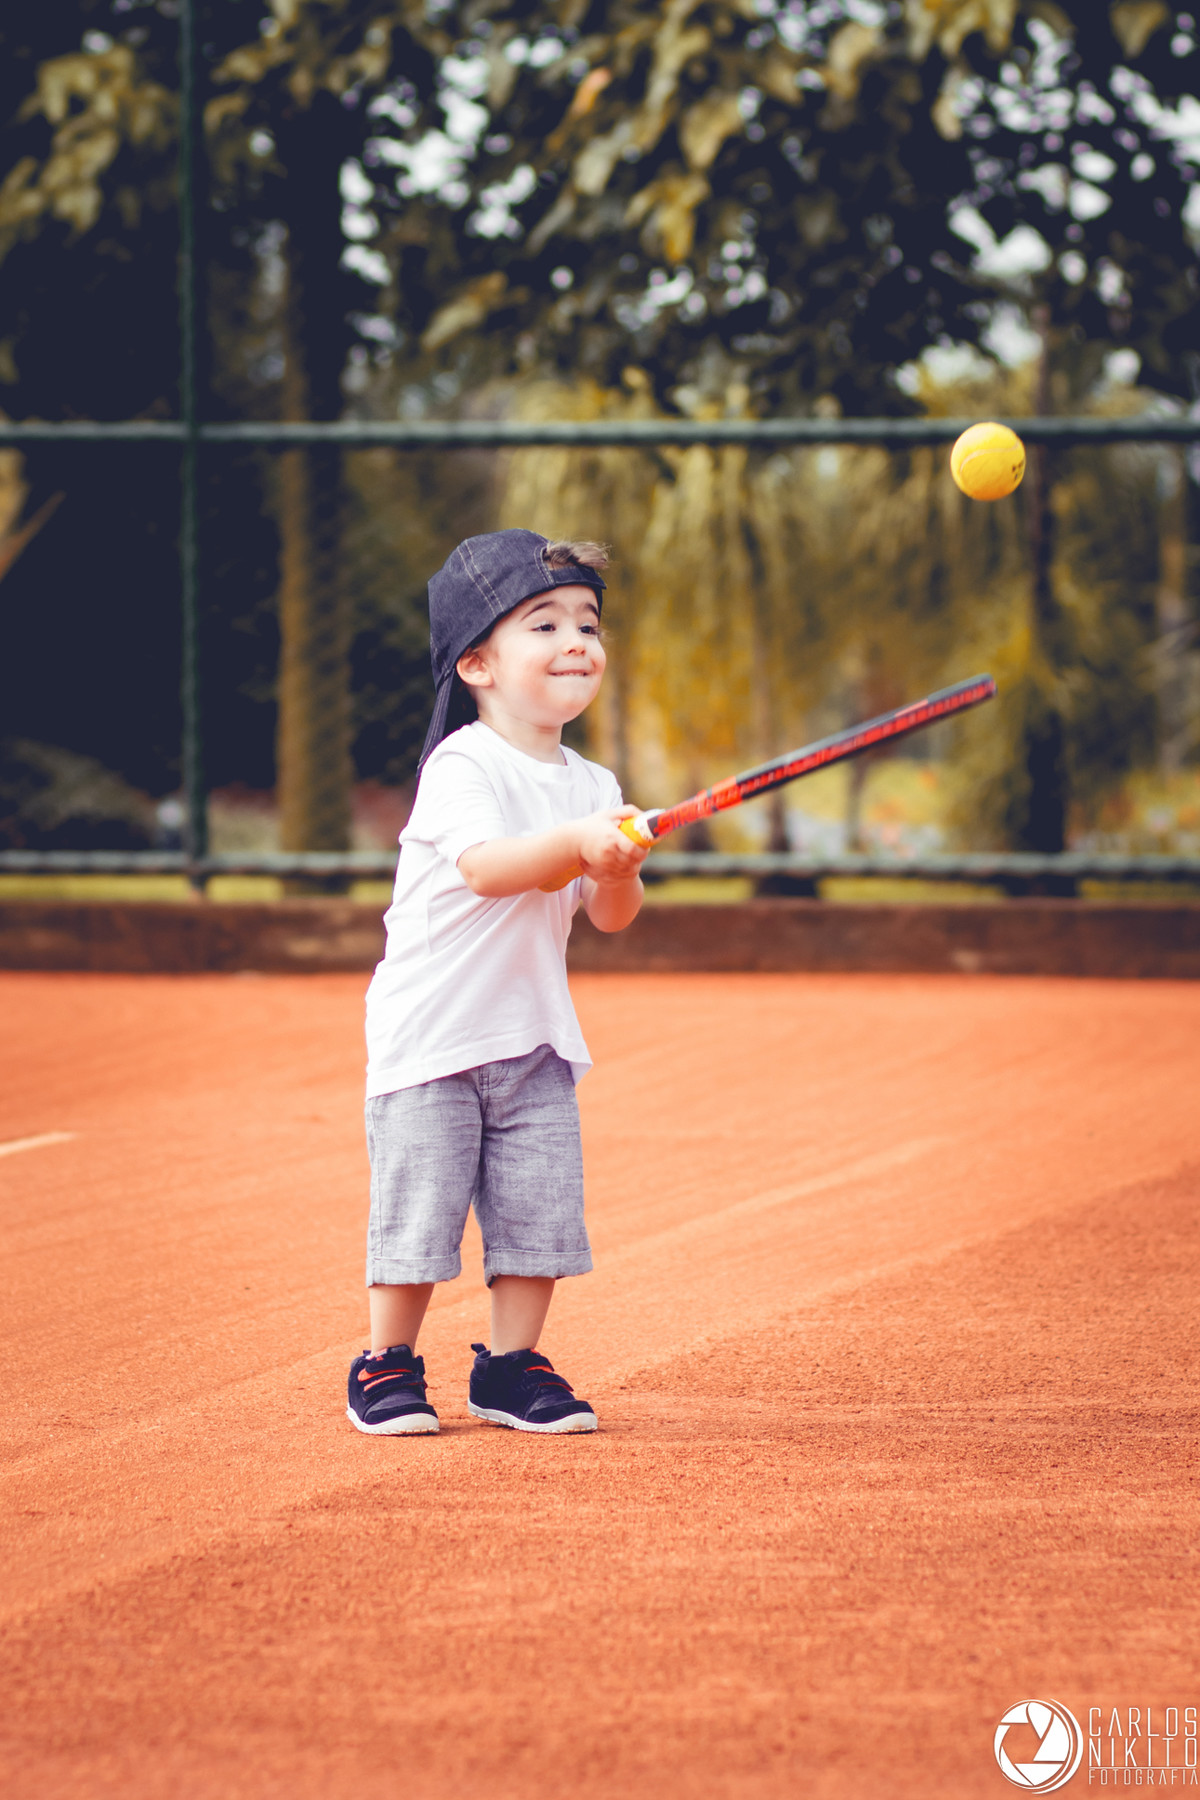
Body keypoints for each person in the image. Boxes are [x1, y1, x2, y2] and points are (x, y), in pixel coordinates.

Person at [347, 529, 649, 1437]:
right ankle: (386, 1362)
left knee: (539, 1213)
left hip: (534, 1038)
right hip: (432, 1041)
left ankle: (510, 1369)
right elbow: (487, 866)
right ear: (476, 661)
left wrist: (620, 867)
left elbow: (607, 916)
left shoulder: (594, 782)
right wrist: (579, 845)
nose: (576, 642)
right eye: (545, 623)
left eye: (588, 624)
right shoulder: (461, 766)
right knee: (418, 1213)